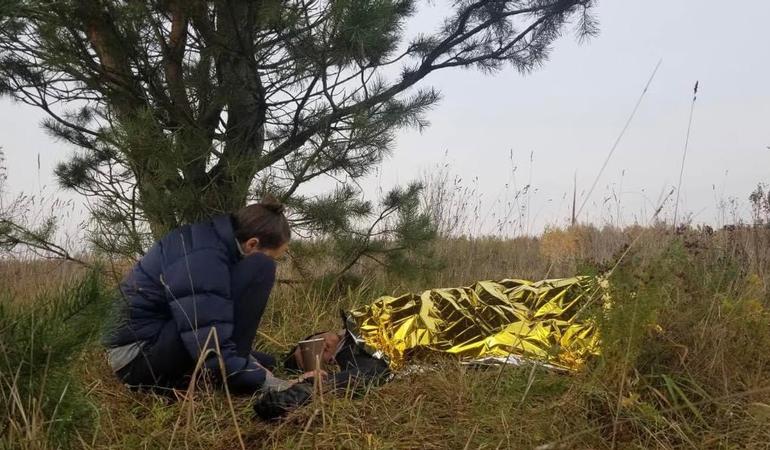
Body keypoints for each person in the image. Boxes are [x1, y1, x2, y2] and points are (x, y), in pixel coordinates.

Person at [104, 196, 312, 394]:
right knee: (261, 267)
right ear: (252, 244)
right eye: (273, 256)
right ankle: (229, 378)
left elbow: (206, 322)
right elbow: (206, 336)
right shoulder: (204, 257)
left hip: (153, 344)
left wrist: (261, 367)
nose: (274, 262)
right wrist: (266, 382)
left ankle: (244, 368)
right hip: (137, 362)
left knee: (267, 362)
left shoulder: (210, 243)